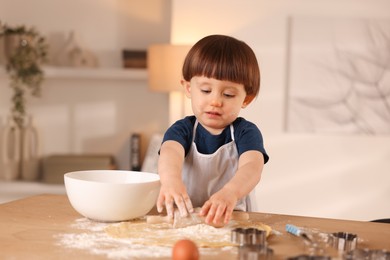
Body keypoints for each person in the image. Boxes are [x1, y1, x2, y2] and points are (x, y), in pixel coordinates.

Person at [156, 34, 269, 226]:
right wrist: (171, 180)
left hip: (233, 219)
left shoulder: (246, 132)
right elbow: (170, 153)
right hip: (188, 218)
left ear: (246, 99)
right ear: (189, 88)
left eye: (228, 94)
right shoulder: (183, 130)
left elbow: (252, 167)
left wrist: (230, 192)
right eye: (206, 91)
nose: (215, 101)